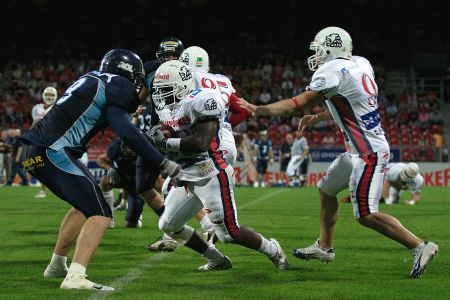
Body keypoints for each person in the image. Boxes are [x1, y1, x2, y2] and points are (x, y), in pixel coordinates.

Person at [239, 26, 438, 278]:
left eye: (320, 49)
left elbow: (294, 105)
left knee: (366, 214)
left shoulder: (331, 71)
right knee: (326, 189)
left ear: (330, 48)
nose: (317, 55)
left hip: (368, 153)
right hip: (357, 151)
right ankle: (324, 246)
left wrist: (259, 109)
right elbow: (349, 102)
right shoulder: (360, 63)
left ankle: (419, 246)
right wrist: (318, 118)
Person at [20, 49, 181, 291]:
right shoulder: (119, 86)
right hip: (53, 151)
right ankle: (76, 277)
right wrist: (163, 162)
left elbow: (96, 112)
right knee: (102, 213)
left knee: (83, 205)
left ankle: (57, 265)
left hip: (34, 152)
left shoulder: (92, 78)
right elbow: (126, 131)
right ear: (127, 73)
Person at [148, 60, 289, 271]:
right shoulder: (170, 106)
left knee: (229, 233)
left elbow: (201, 142)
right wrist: (159, 132)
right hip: (187, 175)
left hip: (210, 173)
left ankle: (272, 249)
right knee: (169, 225)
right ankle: (217, 260)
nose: (161, 95)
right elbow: (173, 129)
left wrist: (165, 142)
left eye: (166, 90)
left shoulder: (203, 99)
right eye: (159, 90)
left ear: (183, 85)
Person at [96, 138, 143, 228]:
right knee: (104, 180)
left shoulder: (144, 153)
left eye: (133, 147)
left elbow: (157, 179)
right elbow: (100, 159)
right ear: (123, 146)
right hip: (122, 177)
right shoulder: (116, 149)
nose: (130, 149)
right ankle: (109, 218)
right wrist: (109, 168)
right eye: (128, 147)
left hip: (137, 184)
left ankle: (138, 215)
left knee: (131, 225)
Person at [31, 86, 58, 198]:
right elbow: (34, 124)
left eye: (52, 95)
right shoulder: (37, 108)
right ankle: (43, 190)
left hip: (54, 140)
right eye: (48, 95)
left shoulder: (58, 107)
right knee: (41, 165)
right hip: (41, 140)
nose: (49, 97)